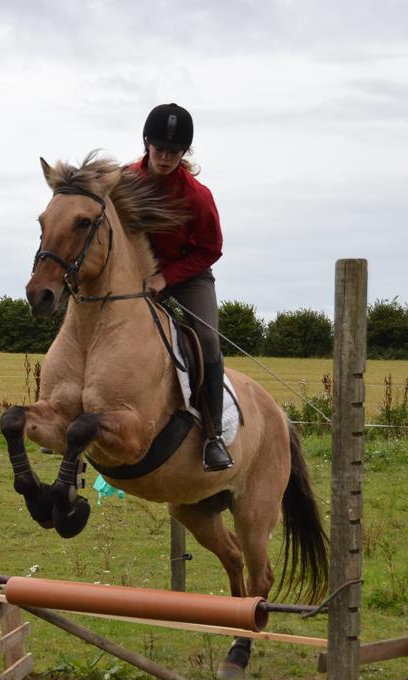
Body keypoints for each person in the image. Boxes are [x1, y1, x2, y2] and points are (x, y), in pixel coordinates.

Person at [126, 103, 232, 471]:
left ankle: (213, 437)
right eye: (160, 150)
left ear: (185, 153)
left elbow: (211, 249)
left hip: (188, 276)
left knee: (206, 340)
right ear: (146, 144)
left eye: (175, 152)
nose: (166, 158)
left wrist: (165, 278)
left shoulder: (198, 197)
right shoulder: (124, 181)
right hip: (137, 274)